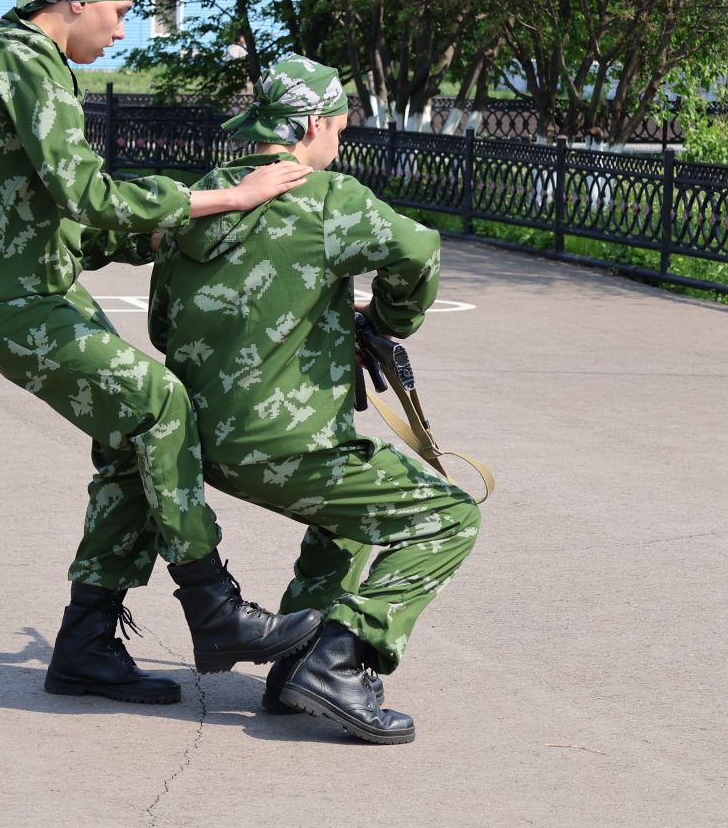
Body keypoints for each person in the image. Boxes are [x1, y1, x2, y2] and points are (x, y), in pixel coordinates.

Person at [0, 0, 322, 707]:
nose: (123, 30)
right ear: (78, 2)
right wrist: (227, 198)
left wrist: (175, 224)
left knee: (133, 435)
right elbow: (87, 195)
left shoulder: (12, 61)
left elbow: (46, 213)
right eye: (121, 12)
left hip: (19, 275)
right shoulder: (26, 65)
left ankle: (87, 644)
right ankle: (212, 605)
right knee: (159, 405)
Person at [148, 53, 480, 745]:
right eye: (336, 126)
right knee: (448, 517)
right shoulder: (328, 198)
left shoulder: (205, 196)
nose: (339, 140)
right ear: (309, 126)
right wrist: (385, 323)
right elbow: (419, 253)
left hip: (199, 446)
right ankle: (340, 657)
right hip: (289, 449)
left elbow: (162, 323)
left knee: (352, 515)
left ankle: (295, 663)